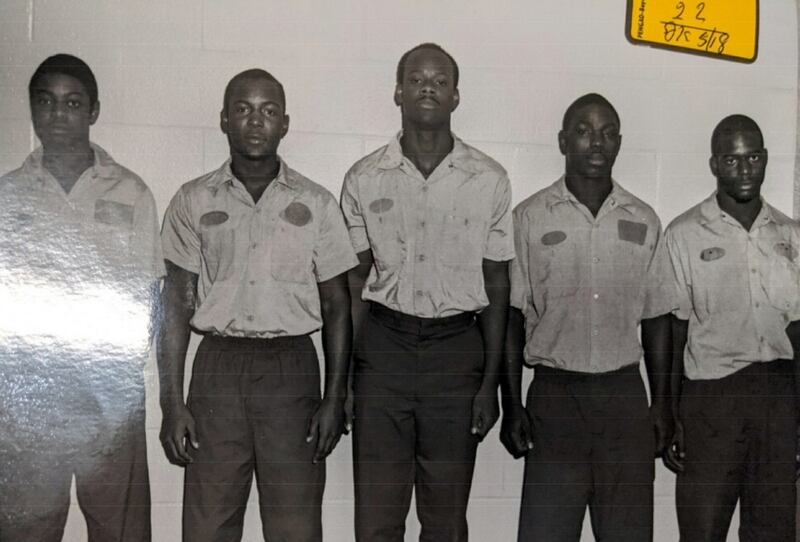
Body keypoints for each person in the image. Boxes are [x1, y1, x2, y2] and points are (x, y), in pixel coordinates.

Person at [158, 68, 356, 542]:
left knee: (295, 527)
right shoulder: (192, 199)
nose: (255, 121)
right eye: (243, 109)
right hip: (218, 372)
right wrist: (171, 402)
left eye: (268, 111)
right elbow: (176, 307)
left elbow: (337, 307)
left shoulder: (318, 203)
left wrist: (334, 397)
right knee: (208, 525)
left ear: (284, 123)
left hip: (291, 372)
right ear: (224, 120)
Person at [341, 42, 514, 541]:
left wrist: (489, 385)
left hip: (457, 353)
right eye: (417, 79)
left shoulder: (489, 179)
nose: (428, 89)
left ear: (456, 96)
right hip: (383, 349)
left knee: (445, 517)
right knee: (377, 514)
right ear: (398, 92)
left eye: (440, 82)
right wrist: (350, 377)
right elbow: (354, 283)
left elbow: (498, 285)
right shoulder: (363, 177)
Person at [0, 53, 161, 541]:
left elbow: (150, 295)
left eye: (73, 103)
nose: (59, 114)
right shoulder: (8, 196)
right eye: (46, 102)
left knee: (121, 530)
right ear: (32, 110)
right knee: (25, 529)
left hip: (107, 398)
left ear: (93, 111)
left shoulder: (132, 192)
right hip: (29, 400)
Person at [501, 93, 676, 541]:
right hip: (556, 399)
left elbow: (657, 318)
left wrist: (661, 404)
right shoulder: (529, 218)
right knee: (546, 533)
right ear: (563, 141)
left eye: (607, 132)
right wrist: (513, 403)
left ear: (619, 142)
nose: (596, 142)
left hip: (623, 398)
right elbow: (512, 319)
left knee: (628, 532)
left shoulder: (645, 219)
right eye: (583, 131)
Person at [663, 114, 800, 541]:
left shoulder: (790, 234)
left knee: (773, 531)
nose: (744, 170)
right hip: (712, 401)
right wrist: (671, 410)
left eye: (753, 157)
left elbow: (798, 328)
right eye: (732, 160)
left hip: (777, 397)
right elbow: (672, 329)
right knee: (703, 531)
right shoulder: (684, 233)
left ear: (764, 160)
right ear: (714, 164)